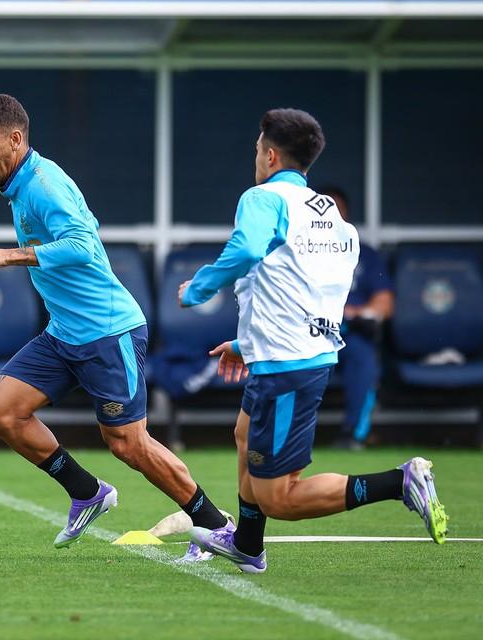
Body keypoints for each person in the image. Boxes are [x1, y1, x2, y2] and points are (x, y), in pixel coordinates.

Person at [179, 108, 447, 573]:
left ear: (270, 154)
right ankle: (246, 544)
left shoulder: (263, 198)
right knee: (244, 434)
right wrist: (248, 344)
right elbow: (308, 293)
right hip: (300, 354)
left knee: (280, 497)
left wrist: (198, 288)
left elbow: (245, 251)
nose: (256, 157)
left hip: (286, 367)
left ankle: (400, 482)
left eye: (257, 149)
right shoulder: (335, 222)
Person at [0, 93, 231, 550]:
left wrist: (7, 255)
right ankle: (87, 492)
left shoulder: (43, 184)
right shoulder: (22, 184)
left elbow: (84, 245)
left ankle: (217, 525)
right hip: (64, 332)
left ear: (15, 138)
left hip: (108, 332)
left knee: (129, 444)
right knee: (0, 411)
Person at [320, 186, 395, 449]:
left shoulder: (365, 254)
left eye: (338, 211)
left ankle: (353, 435)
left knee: (364, 358)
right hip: (310, 336)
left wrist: (353, 314)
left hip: (351, 333)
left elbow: (384, 303)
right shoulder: (298, 252)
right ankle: (292, 438)